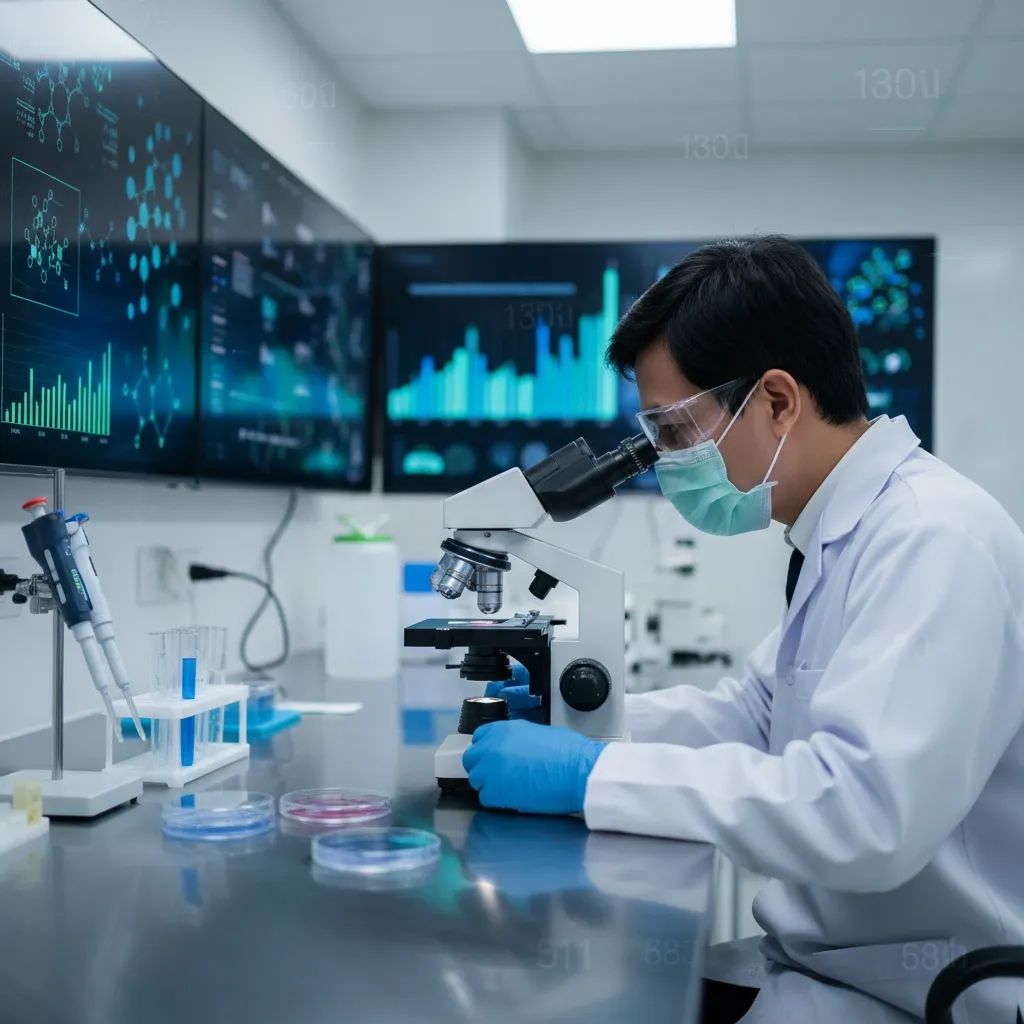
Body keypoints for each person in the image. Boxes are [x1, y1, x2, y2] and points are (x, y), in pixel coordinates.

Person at [462, 236, 1024, 1023]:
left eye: (675, 430)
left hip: (923, 993)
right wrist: (580, 717)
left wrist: (594, 777)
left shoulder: (934, 537)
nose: (665, 462)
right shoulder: (842, 533)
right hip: (838, 959)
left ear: (778, 401)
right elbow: (758, 715)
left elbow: (862, 815)